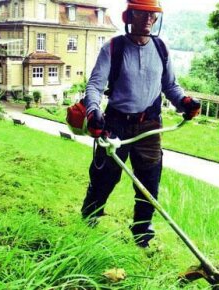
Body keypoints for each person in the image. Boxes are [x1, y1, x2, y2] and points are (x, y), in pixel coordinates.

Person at [81, 0, 201, 248]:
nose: (149, 19)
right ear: (130, 15)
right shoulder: (113, 48)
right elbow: (95, 85)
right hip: (115, 124)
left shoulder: (161, 48)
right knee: (104, 177)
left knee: (149, 183)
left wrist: (185, 102)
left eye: (153, 14)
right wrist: (93, 111)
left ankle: (142, 236)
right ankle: (88, 221)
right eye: (143, 13)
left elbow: (170, 86)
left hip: (149, 126)